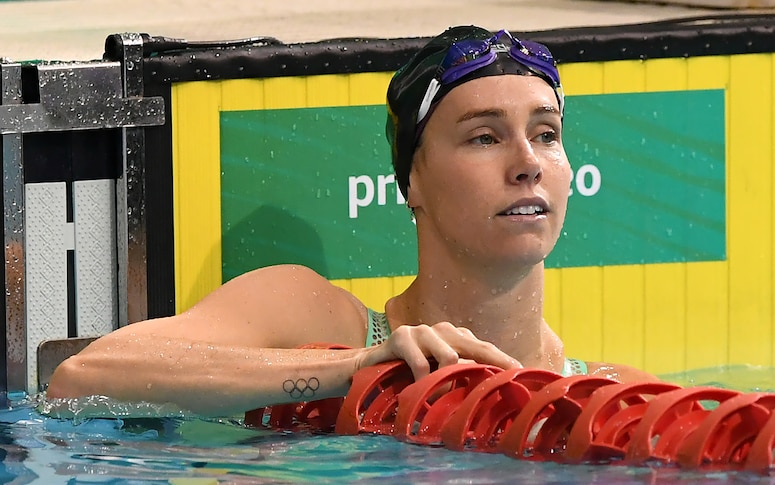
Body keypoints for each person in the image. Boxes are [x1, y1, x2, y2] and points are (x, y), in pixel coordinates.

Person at [47, 26, 654, 417]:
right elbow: (81, 377)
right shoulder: (312, 317)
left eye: (547, 135)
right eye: (484, 137)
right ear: (411, 179)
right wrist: (355, 370)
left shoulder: (608, 397)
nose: (527, 164)